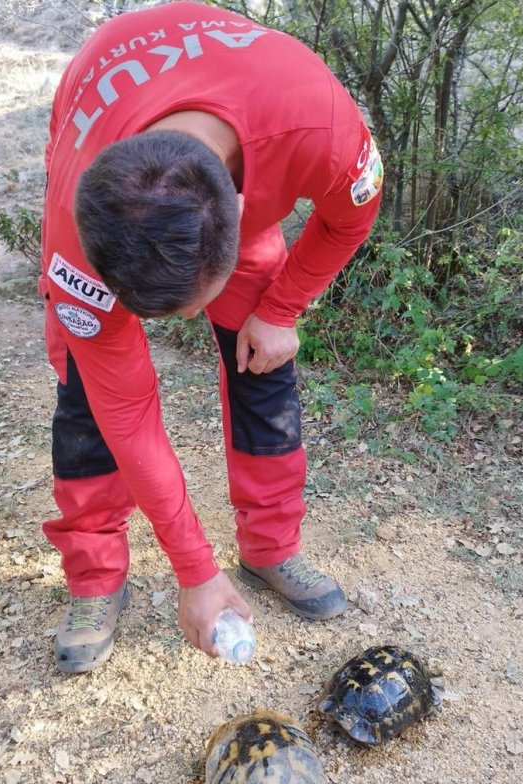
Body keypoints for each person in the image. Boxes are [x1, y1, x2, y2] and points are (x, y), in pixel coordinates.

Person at [39, 1, 383, 673]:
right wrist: (194, 570)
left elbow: (350, 219)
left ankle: (270, 545)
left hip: (255, 135)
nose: (187, 325)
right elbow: (128, 413)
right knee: (86, 397)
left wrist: (282, 307)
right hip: (104, 94)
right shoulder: (75, 228)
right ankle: (95, 576)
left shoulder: (321, 125)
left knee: (264, 362)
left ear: (245, 216)